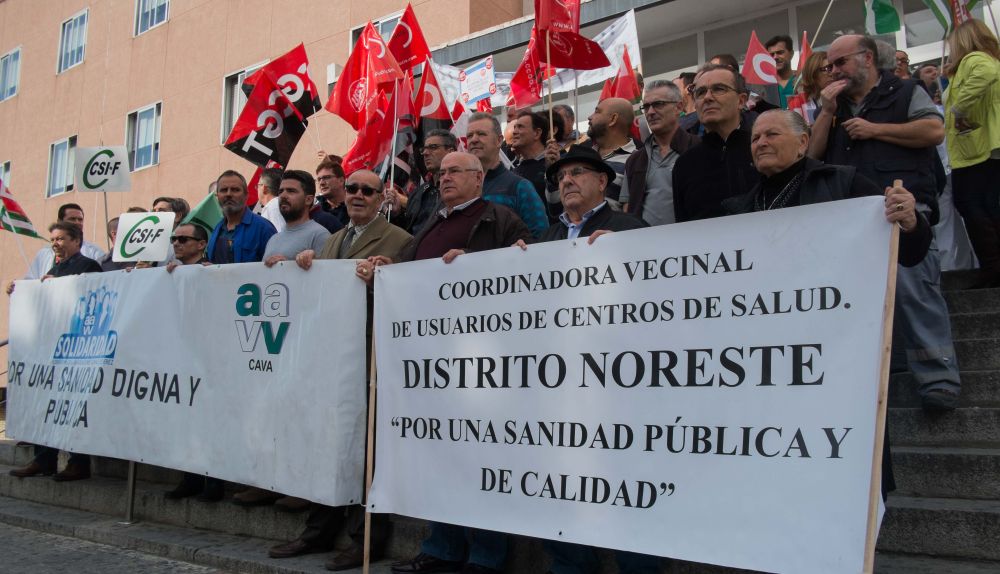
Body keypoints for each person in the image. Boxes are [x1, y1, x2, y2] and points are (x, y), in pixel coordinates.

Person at [384, 152, 531, 574]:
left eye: (454, 171)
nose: (443, 177)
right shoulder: (431, 221)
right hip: (430, 360)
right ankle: (442, 547)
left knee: (483, 457)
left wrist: (480, 265)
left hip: (481, 357)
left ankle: (486, 555)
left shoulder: (500, 219)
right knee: (440, 456)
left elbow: (529, 270)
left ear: (478, 177)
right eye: (441, 172)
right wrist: (388, 269)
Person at [268, 169, 413, 570]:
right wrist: (298, 266)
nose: (358, 195)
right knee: (327, 447)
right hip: (329, 361)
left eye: (367, 190)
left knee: (368, 454)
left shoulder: (400, 239)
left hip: (369, 360)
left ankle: (367, 540)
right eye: (352, 188)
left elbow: (406, 299)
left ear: (381, 197)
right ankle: (318, 531)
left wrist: (379, 279)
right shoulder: (332, 239)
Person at [808, 34, 960, 412]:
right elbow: (811, 155)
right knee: (863, 301)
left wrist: (875, 130)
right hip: (853, 221)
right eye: (829, 66)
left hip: (903, 209)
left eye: (840, 63)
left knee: (915, 290)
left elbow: (933, 131)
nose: (834, 71)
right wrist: (825, 112)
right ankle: (882, 374)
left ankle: (939, 379)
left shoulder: (906, 91)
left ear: (867, 58)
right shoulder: (834, 106)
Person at [8, 222, 103, 481]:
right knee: (46, 405)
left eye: (60, 239)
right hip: (52, 350)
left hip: (76, 350)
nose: (55, 244)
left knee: (72, 410)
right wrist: (20, 290)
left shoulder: (88, 266)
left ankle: (78, 462)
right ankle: (44, 459)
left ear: (76, 241)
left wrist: (59, 284)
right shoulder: (55, 267)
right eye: (53, 239)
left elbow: (89, 296)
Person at [944, 19, 1000, 287]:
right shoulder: (985, 59)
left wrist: (959, 109)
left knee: (972, 203)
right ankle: (993, 267)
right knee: (986, 205)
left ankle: (992, 268)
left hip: (976, 149)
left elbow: (985, 74)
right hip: (981, 145)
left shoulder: (975, 59)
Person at [673, 63, 759, 222]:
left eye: (719, 89)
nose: (707, 97)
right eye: (700, 92)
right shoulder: (684, 164)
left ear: (741, 101)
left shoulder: (763, 149)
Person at [621, 80, 700, 226]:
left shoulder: (700, 149)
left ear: (679, 107)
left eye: (658, 104)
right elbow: (628, 207)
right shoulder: (635, 160)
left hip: (692, 237)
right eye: (646, 107)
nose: (650, 112)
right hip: (644, 239)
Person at [466, 112, 549, 238]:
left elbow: (541, 237)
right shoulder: (461, 187)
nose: (474, 140)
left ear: (499, 140)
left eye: (481, 134)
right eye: (469, 136)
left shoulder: (519, 187)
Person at [261, 170, 331, 267]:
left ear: (308, 200)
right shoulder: (273, 239)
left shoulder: (320, 235)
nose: (283, 196)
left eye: (291, 191)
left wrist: (288, 267)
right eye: (280, 191)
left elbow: (327, 273)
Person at [206, 170, 277, 265]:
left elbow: (276, 268)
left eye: (235, 190)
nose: (228, 194)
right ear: (217, 196)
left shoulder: (264, 228)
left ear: (246, 195)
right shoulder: (216, 229)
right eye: (224, 190)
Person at [23, 203, 106, 280]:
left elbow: (101, 281)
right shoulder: (44, 255)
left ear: (76, 241)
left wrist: (58, 282)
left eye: (80, 219)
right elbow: (30, 281)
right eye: (72, 219)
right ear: (60, 221)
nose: (77, 223)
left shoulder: (94, 253)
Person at [583, 97, 637, 209]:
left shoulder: (636, 160)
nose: (590, 117)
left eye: (597, 112)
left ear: (613, 119)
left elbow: (630, 211)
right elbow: (556, 208)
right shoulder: (583, 155)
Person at [510, 110, 559, 220]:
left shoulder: (556, 165)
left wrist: (553, 171)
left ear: (537, 133)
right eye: (515, 127)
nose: (514, 132)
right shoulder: (513, 171)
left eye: (520, 127)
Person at [765, 34, 798, 108]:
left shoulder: (802, 80)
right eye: (771, 55)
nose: (775, 57)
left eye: (780, 52)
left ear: (791, 54)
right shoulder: (766, 87)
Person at [798, 51, 830, 124]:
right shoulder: (801, 102)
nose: (831, 73)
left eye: (831, 68)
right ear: (813, 73)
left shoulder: (843, 97)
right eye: (826, 69)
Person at [316, 157, 349, 227]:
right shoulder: (316, 212)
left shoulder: (356, 205)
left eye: (326, 177)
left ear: (341, 180)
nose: (321, 183)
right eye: (319, 179)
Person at [256, 167, 286, 232]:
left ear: (264, 188)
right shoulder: (274, 206)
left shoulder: (273, 206)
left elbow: (280, 234)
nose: (257, 189)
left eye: (258, 186)